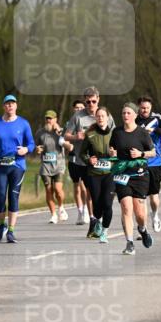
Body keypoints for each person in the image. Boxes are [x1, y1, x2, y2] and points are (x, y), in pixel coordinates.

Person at [65, 87, 116, 232]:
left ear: (98, 99)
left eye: (94, 101)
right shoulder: (78, 117)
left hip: (104, 162)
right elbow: (66, 136)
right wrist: (76, 137)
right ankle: (94, 221)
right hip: (83, 160)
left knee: (99, 196)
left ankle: (96, 220)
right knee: (90, 193)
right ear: (84, 101)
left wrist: (114, 152)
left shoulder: (105, 115)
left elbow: (114, 135)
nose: (91, 104)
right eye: (88, 101)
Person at [0, 94, 35, 243]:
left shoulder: (23, 123)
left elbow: (31, 143)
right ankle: (2, 225)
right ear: (4, 106)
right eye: (7, 104)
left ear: (16, 106)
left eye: (12, 103)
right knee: (1, 197)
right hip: (1, 165)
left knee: (13, 197)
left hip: (17, 165)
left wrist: (26, 150)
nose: (10, 106)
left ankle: (11, 231)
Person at [111, 103, 156, 255]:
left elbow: (153, 153)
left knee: (140, 215)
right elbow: (112, 150)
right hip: (123, 175)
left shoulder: (142, 133)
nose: (125, 116)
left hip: (140, 176)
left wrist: (141, 154)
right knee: (126, 208)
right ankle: (129, 243)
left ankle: (142, 229)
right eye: (123, 113)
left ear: (135, 115)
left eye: (129, 113)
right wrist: (111, 153)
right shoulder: (117, 132)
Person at [81, 107, 116, 243]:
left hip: (110, 173)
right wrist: (88, 160)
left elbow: (121, 151)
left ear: (107, 118)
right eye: (98, 116)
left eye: (103, 116)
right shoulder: (90, 134)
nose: (100, 118)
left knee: (107, 204)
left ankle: (105, 232)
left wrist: (115, 154)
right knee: (96, 204)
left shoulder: (115, 134)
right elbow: (82, 153)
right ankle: (98, 221)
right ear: (95, 118)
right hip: (94, 173)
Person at [136, 96, 161, 231]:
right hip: (139, 162)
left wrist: (155, 131)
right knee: (141, 197)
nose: (145, 110)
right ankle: (142, 226)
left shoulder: (156, 119)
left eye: (147, 108)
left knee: (154, 198)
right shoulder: (134, 119)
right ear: (139, 107)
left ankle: (155, 215)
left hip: (155, 162)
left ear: (151, 108)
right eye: (142, 108)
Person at [35, 110, 71, 224]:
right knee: (48, 190)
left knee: (58, 190)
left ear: (56, 119)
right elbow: (36, 147)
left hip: (59, 165)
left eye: (51, 118)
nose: (48, 121)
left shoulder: (61, 132)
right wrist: (37, 149)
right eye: (47, 118)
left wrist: (59, 132)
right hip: (46, 165)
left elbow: (69, 145)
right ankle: (53, 214)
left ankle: (61, 207)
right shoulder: (40, 133)